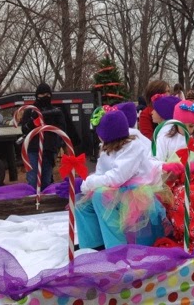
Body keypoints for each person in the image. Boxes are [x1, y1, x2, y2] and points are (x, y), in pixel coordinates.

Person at [75, 109, 168, 249]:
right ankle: (93, 245)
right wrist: (83, 185)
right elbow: (100, 174)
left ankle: (117, 249)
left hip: (136, 192)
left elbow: (117, 177)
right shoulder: (107, 148)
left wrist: (84, 184)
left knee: (100, 196)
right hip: (118, 190)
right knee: (81, 202)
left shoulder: (133, 147)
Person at [20, 83, 67, 191]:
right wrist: (33, 121)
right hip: (33, 149)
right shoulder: (30, 111)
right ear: (37, 95)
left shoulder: (56, 112)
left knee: (46, 180)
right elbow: (24, 129)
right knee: (33, 180)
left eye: (48, 94)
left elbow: (62, 130)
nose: (45, 96)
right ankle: (33, 198)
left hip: (49, 149)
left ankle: (46, 199)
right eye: (42, 94)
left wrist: (57, 144)